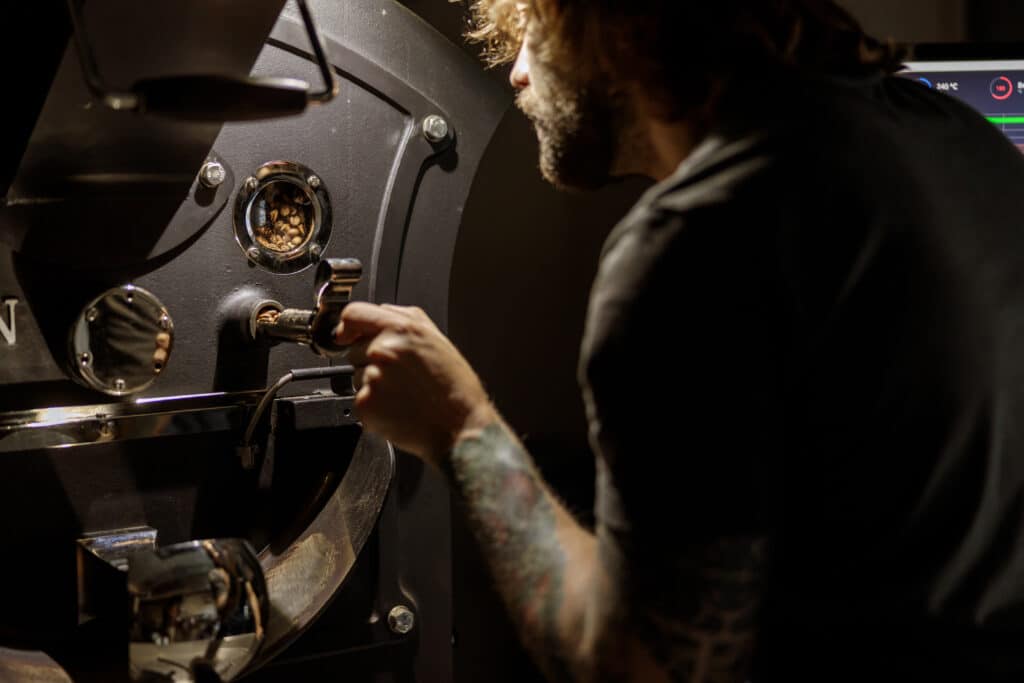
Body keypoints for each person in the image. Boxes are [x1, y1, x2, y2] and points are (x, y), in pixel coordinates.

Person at [334, 1, 1024, 681]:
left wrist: (460, 427)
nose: (517, 72)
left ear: (615, 26)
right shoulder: (959, 136)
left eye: (532, 30)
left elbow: (635, 667)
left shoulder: (701, 239)